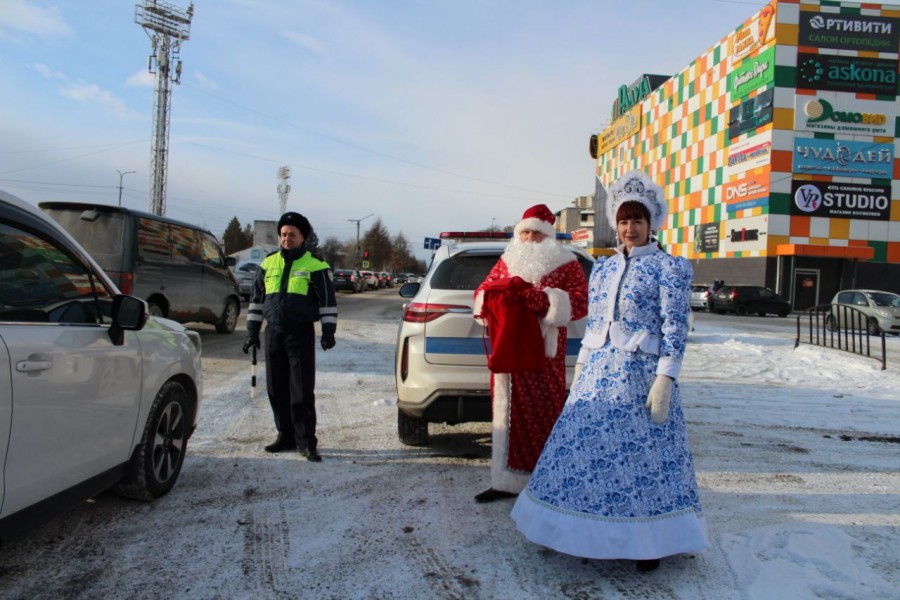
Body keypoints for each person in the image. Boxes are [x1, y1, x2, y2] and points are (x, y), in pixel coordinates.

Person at [511, 170, 707, 573]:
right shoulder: (602, 269)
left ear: (651, 223)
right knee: (582, 452)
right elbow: (597, 324)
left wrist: (666, 377)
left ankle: (648, 542)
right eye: (623, 221)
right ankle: (566, 529)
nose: (629, 229)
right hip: (599, 372)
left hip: (640, 377)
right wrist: (581, 367)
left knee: (642, 461)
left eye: (637, 220)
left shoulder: (669, 268)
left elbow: (674, 327)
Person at [472, 204, 589, 503]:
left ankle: (544, 481)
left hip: (543, 355)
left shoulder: (566, 262)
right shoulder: (507, 260)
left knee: (542, 415)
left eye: (535, 232)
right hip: (508, 350)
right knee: (506, 415)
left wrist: (544, 301)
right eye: (524, 231)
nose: (529, 238)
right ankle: (504, 481)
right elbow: (483, 291)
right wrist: (494, 298)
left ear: (547, 235)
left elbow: (580, 302)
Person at [243, 211, 338, 462]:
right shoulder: (268, 263)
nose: (286, 238)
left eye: (291, 234)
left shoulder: (316, 265)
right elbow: (256, 301)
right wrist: (252, 332)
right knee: (276, 389)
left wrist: (328, 332)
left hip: (300, 333)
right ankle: (284, 436)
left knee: (302, 390)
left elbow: (327, 303)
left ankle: (306, 441)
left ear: (302, 237)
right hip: (273, 333)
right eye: (283, 234)